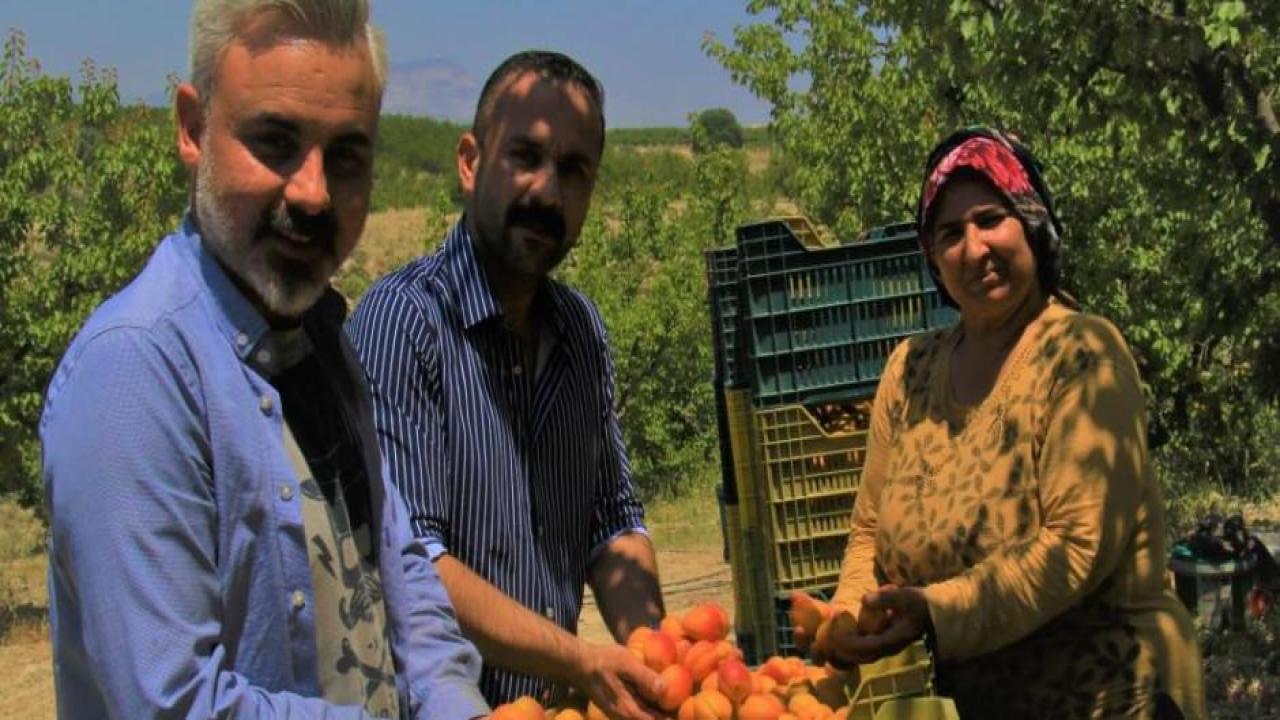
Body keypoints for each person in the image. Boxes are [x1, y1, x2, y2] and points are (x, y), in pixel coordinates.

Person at [40, 1, 489, 717]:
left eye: (345, 154)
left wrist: (454, 703)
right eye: (276, 142)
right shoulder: (135, 373)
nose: (313, 194)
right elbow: (172, 705)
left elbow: (398, 571)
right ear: (192, 129)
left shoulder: (317, 336)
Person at [809, 128, 1207, 719]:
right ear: (932, 258)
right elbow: (869, 531)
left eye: (990, 219)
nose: (974, 248)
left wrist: (935, 612)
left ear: (1033, 225)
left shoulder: (1082, 355)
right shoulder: (911, 370)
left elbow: (1074, 549)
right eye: (950, 233)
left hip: (1109, 694)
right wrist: (845, 617)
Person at [346, 51, 666, 718]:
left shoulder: (580, 331)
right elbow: (416, 565)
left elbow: (613, 522)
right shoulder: (405, 325)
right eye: (526, 156)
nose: (547, 192)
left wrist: (657, 656)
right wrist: (580, 660)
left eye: (574, 171)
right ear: (470, 162)